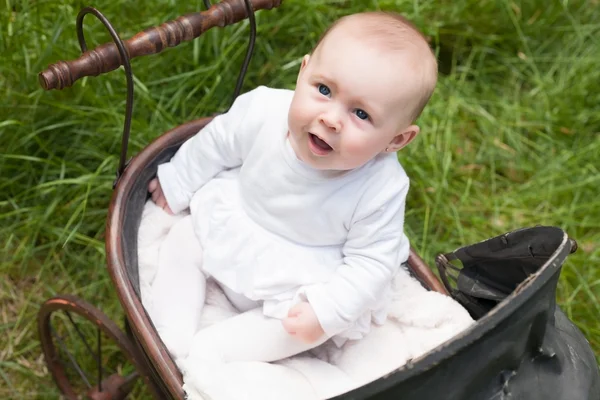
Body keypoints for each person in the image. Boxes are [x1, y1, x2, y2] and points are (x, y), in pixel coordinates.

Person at [147, 11, 438, 367]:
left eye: (361, 114)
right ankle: (170, 339)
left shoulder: (381, 188)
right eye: (324, 90)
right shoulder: (263, 110)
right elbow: (216, 143)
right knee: (182, 239)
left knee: (296, 328)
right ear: (302, 73)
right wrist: (179, 180)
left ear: (396, 139)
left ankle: (213, 357)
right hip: (235, 225)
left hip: (301, 279)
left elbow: (371, 263)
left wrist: (324, 311)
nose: (331, 119)